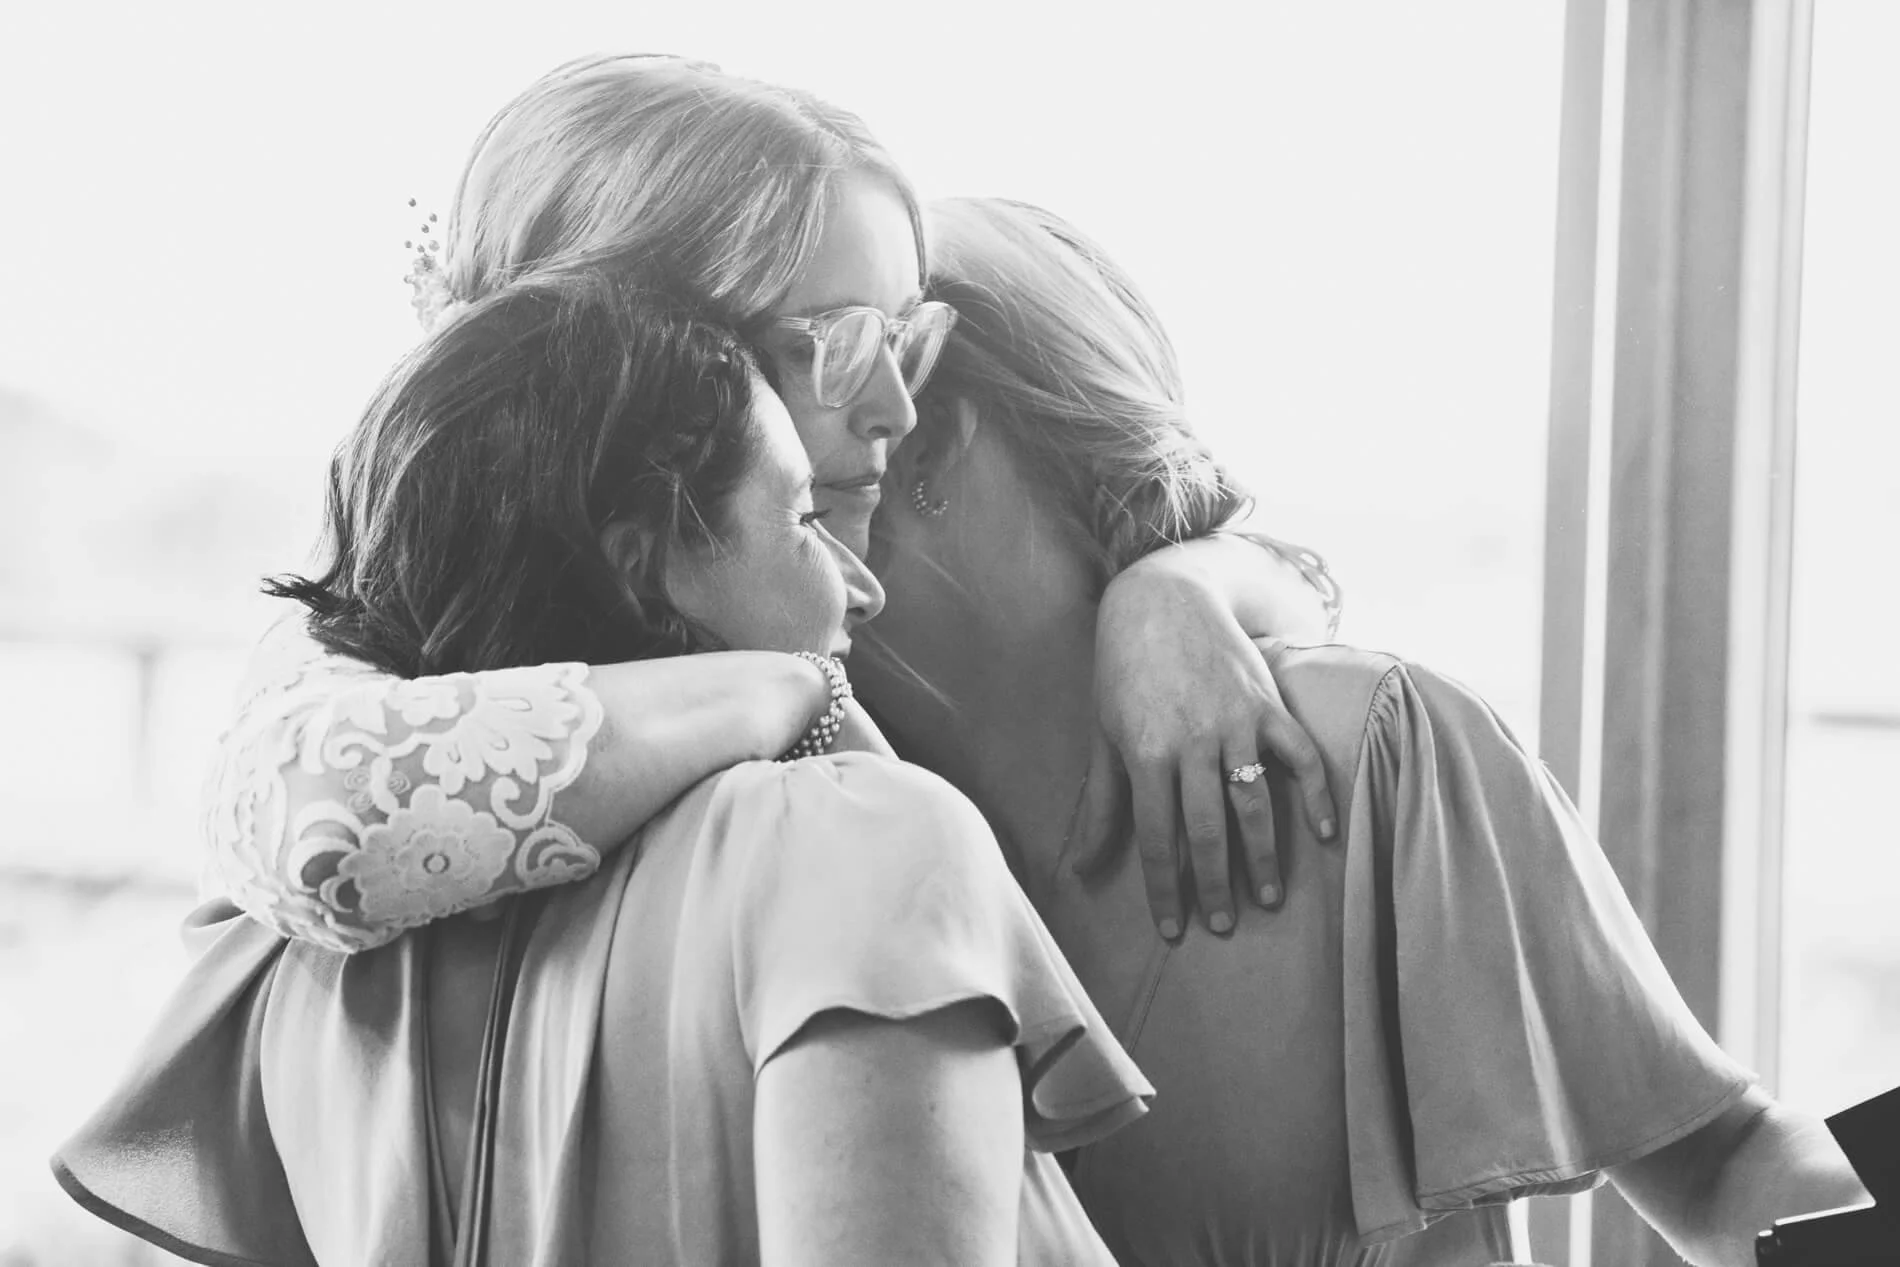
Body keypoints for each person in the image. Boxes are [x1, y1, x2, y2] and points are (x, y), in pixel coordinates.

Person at [57, 270, 1153, 1265]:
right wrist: (797, 690)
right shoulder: (859, 838)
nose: (861, 588)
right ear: (641, 566)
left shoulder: (289, 968)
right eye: (802, 518)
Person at [194, 52, 1346, 973]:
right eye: (831, 346)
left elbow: (1276, 571)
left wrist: (1177, 587)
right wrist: (779, 692)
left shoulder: (844, 567)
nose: (900, 407)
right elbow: (316, 817)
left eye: (905, 338)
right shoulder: (369, 622)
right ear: (625, 369)